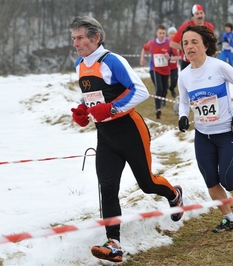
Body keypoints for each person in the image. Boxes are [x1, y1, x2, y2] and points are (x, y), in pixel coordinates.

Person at [68, 16, 184, 263]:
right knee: (107, 188)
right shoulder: (80, 65)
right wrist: (82, 110)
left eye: (79, 37)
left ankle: (174, 194)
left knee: (147, 183)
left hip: (131, 131)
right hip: (106, 137)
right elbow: (93, 97)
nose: (75, 43)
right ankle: (114, 243)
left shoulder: (111, 60)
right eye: (73, 38)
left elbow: (140, 91)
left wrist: (110, 109)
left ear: (95, 37)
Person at [177, 25, 233, 233]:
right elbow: (184, 101)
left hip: (226, 133)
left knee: (229, 182)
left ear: (205, 45)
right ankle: (229, 219)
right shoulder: (184, 75)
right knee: (211, 181)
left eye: (194, 42)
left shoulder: (219, 67)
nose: (190, 46)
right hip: (203, 136)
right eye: (186, 43)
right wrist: (182, 116)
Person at [140, 24, 178, 119]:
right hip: (155, 69)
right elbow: (144, 49)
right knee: (159, 88)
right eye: (160, 33)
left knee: (164, 90)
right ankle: (158, 109)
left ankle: (160, 103)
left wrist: (169, 58)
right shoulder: (152, 43)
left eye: (163, 33)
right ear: (157, 33)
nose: (161, 35)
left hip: (166, 70)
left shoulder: (169, 43)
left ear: (166, 34)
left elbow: (177, 56)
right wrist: (142, 59)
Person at [170, 3, 214, 70]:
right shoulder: (186, 26)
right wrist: (187, 47)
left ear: (204, 14)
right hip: (188, 62)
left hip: (205, 61)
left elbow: (211, 43)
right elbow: (172, 44)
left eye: (201, 13)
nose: (199, 16)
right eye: (197, 14)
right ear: (193, 16)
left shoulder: (209, 27)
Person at [166, 26, 179, 99]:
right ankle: (164, 96)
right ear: (168, 34)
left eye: (174, 34)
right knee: (165, 83)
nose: (172, 35)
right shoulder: (165, 42)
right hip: (166, 66)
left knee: (174, 82)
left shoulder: (178, 43)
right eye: (171, 33)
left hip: (174, 66)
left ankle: (172, 89)